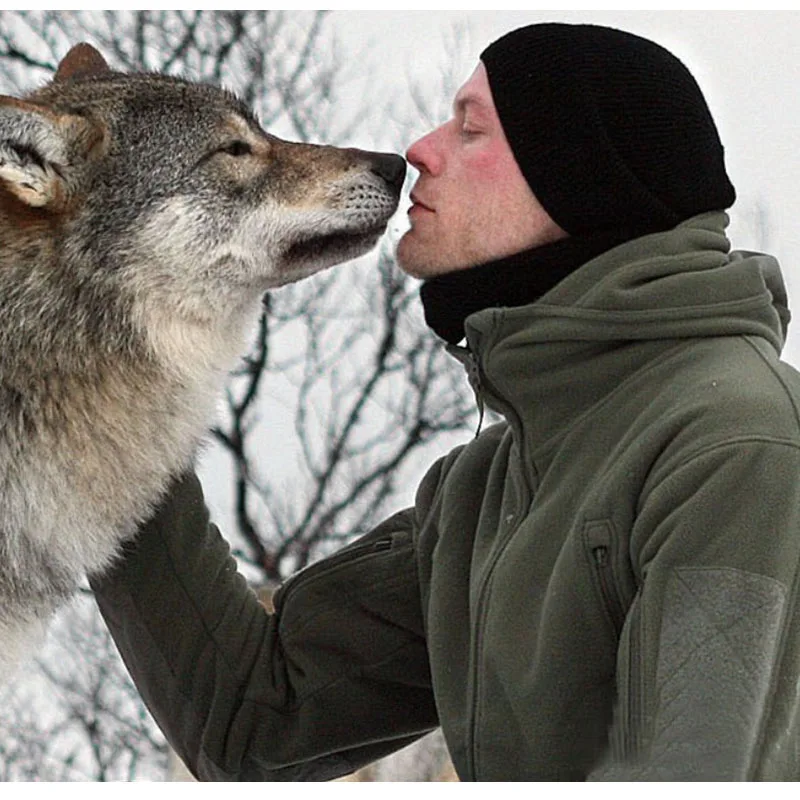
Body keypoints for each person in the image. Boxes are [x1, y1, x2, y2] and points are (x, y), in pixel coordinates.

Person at [90, 22, 800, 781]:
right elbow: (254, 712)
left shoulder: (736, 451)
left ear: (578, 178)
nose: (422, 150)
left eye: (471, 128)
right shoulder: (492, 490)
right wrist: (102, 394)